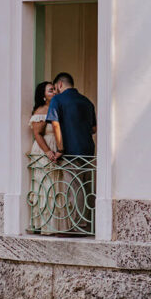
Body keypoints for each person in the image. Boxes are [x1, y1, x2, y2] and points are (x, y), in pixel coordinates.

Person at [46, 72, 97, 232]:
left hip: (70, 151)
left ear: (60, 84)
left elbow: (55, 124)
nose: (55, 91)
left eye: (55, 88)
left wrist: (60, 148)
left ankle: (78, 226)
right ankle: (88, 223)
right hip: (88, 150)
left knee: (73, 188)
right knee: (86, 187)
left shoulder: (57, 100)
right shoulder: (87, 102)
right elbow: (94, 128)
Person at [29, 80, 70, 234]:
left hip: (56, 148)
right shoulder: (41, 111)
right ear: (43, 95)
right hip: (44, 149)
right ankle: (45, 224)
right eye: (50, 90)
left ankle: (57, 224)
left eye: (54, 89)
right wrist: (47, 151)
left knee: (57, 186)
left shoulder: (56, 107)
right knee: (46, 185)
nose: (54, 92)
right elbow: (37, 134)